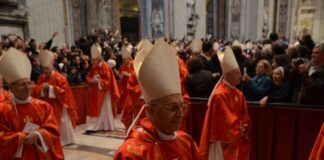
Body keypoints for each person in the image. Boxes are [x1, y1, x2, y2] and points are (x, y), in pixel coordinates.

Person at [114, 40, 199, 159]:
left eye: (181, 106)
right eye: (173, 107)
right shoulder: (131, 153)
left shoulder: (186, 142)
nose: (180, 113)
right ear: (150, 111)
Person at [0, 47, 63, 159]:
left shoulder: (44, 106)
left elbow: (53, 131)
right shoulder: (3, 109)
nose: (28, 88)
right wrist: (22, 137)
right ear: (11, 87)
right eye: (23, 84)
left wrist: (39, 135)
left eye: (29, 83)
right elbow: (2, 136)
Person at [199, 46, 251, 160]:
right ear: (227, 75)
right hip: (221, 138)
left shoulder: (238, 93)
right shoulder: (219, 94)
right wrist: (238, 129)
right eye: (237, 74)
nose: (240, 76)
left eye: (240, 73)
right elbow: (225, 118)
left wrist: (244, 126)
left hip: (237, 136)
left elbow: (244, 114)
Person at [33, 50, 78, 146]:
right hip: (46, 104)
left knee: (62, 122)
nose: (45, 71)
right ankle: (52, 139)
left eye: (47, 68)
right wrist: (42, 88)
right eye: (44, 69)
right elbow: (36, 89)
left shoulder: (60, 77)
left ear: (51, 66)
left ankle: (65, 140)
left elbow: (64, 91)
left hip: (59, 104)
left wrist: (50, 88)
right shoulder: (41, 77)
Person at [86, 43, 120, 132]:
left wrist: (98, 81)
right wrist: (91, 80)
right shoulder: (93, 67)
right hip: (95, 92)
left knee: (104, 109)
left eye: (94, 60)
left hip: (104, 92)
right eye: (92, 60)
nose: (92, 62)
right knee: (94, 109)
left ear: (99, 59)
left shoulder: (106, 66)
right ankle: (95, 126)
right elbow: (88, 76)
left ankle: (106, 125)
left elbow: (108, 80)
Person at [290, 41, 324, 105]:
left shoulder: (321, 71)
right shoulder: (308, 66)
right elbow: (293, 83)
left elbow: (316, 89)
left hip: (312, 109)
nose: (312, 55)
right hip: (297, 105)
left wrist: (304, 73)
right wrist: (295, 70)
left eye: (316, 53)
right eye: (312, 52)